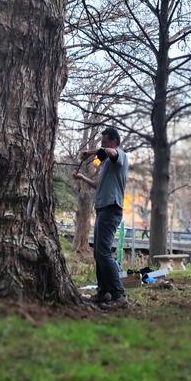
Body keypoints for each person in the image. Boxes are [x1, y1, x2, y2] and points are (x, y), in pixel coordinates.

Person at [73, 127, 129, 308]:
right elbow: (98, 184)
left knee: (103, 252)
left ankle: (119, 295)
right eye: (102, 143)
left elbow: (106, 152)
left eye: (105, 142)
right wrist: (82, 177)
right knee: (98, 252)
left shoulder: (119, 155)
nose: (102, 146)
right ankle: (103, 291)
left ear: (114, 141)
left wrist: (88, 153)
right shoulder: (106, 164)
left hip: (111, 209)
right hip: (102, 209)